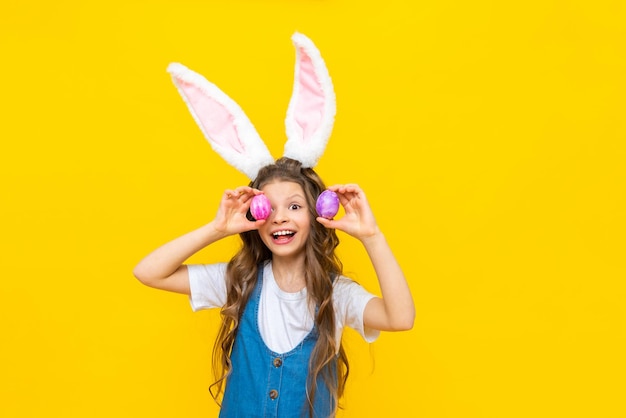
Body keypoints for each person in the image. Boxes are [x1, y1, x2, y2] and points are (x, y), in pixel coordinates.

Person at [133, 157, 415, 417]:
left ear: (317, 214)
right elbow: (148, 272)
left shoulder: (337, 294)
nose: (280, 218)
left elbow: (400, 318)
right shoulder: (239, 281)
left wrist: (372, 236)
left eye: (294, 206)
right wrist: (216, 229)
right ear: (256, 218)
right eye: (269, 208)